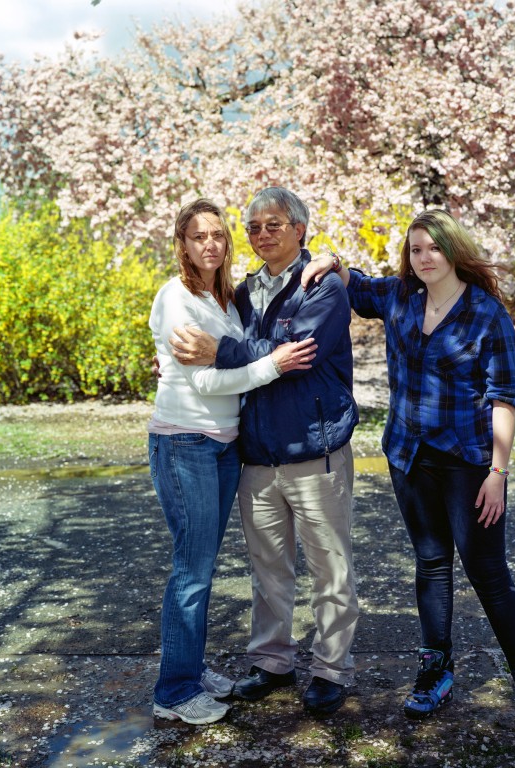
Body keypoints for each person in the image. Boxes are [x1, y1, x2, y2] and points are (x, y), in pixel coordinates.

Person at [301, 208, 515, 740]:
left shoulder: (486, 314)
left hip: (468, 462)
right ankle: (436, 669)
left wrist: (498, 473)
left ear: (453, 250)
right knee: (431, 563)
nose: (424, 258)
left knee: (487, 573)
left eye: (432, 248)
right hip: (409, 457)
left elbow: (505, 398)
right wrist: (330, 260)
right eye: (415, 250)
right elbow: (354, 284)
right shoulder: (400, 298)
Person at [167, 186, 360, 716]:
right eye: (253, 227)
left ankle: (330, 669)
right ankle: (272, 662)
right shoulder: (245, 292)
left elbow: (294, 352)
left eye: (274, 224)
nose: (262, 234)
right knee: (268, 570)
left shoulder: (321, 287)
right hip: (259, 455)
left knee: (330, 568)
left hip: (314, 450)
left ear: (300, 229)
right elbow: (224, 350)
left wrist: (222, 351)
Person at [148, 198, 316, 726]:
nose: (212, 244)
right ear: (183, 243)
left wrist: (325, 259)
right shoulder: (177, 299)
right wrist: (271, 365)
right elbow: (203, 380)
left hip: (223, 445)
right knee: (192, 573)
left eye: (219, 234)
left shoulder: (223, 297)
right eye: (199, 237)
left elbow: (225, 357)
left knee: (202, 567)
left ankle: (190, 672)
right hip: (185, 443)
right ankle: (173, 692)